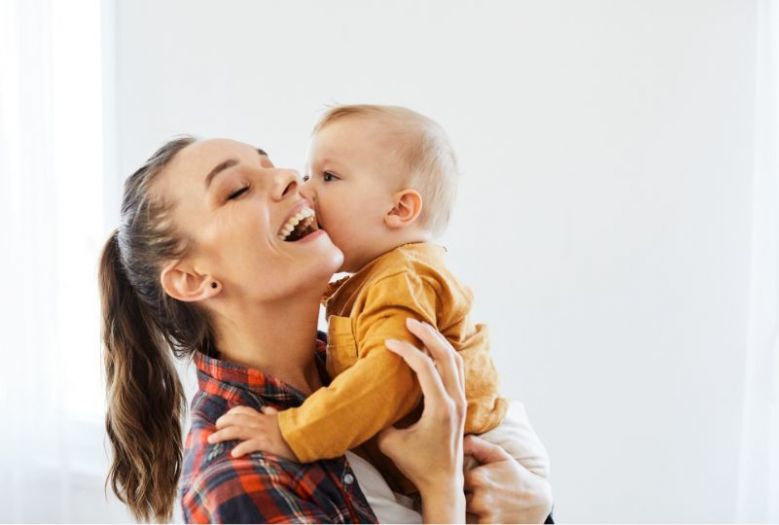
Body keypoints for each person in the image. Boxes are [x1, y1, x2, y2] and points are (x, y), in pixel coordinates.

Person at [99, 136, 553, 523]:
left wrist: (535, 510)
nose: (289, 177)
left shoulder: (362, 359)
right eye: (238, 190)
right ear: (194, 279)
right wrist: (441, 488)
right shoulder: (238, 476)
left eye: (271, 164)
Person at [208, 105, 548, 496]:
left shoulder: (404, 278)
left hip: (484, 449)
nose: (305, 189)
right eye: (307, 174)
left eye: (329, 176)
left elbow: (386, 377)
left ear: (399, 209)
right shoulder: (382, 277)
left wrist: (293, 433)